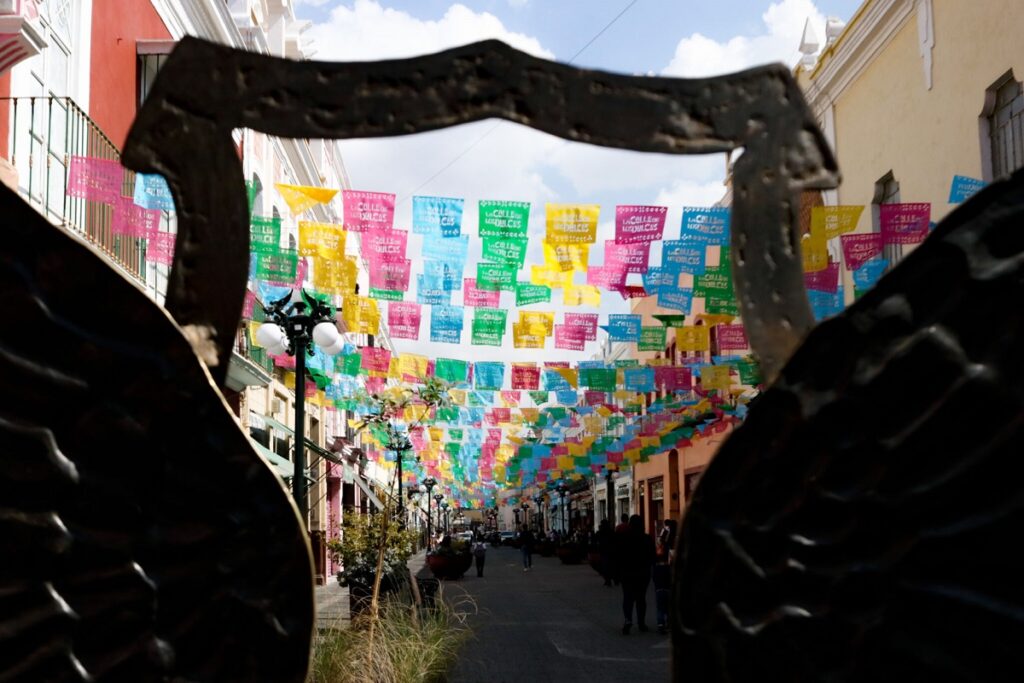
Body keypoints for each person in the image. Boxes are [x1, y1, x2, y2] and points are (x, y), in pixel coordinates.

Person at [616, 514, 656, 635]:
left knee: (628, 597)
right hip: (643, 573)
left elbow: (619, 556)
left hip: (627, 572)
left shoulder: (624, 538)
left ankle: (628, 620)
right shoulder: (647, 539)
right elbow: (652, 556)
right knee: (641, 598)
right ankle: (641, 623)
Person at [653, 519, 677, 633]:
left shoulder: (664, 531)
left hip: (664, 565)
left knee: (661, 604)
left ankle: (661, 622)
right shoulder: (678, 533)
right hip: (670, 566)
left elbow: (661, 542)